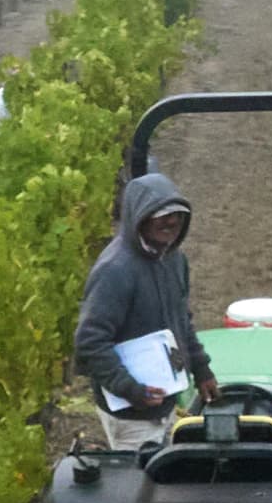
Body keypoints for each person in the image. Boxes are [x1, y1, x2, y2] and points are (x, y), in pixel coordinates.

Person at [71, 170, 218, 452]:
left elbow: (181, 320)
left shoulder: (173, 259)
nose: (172, 221)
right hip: (131, 415)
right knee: (139, 489)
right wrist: (130, 390)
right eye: (161, 213)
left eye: (177, 213)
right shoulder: (115, 271)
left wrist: (201, 369)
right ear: (139, 215)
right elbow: (90, 342)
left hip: (163, 400)